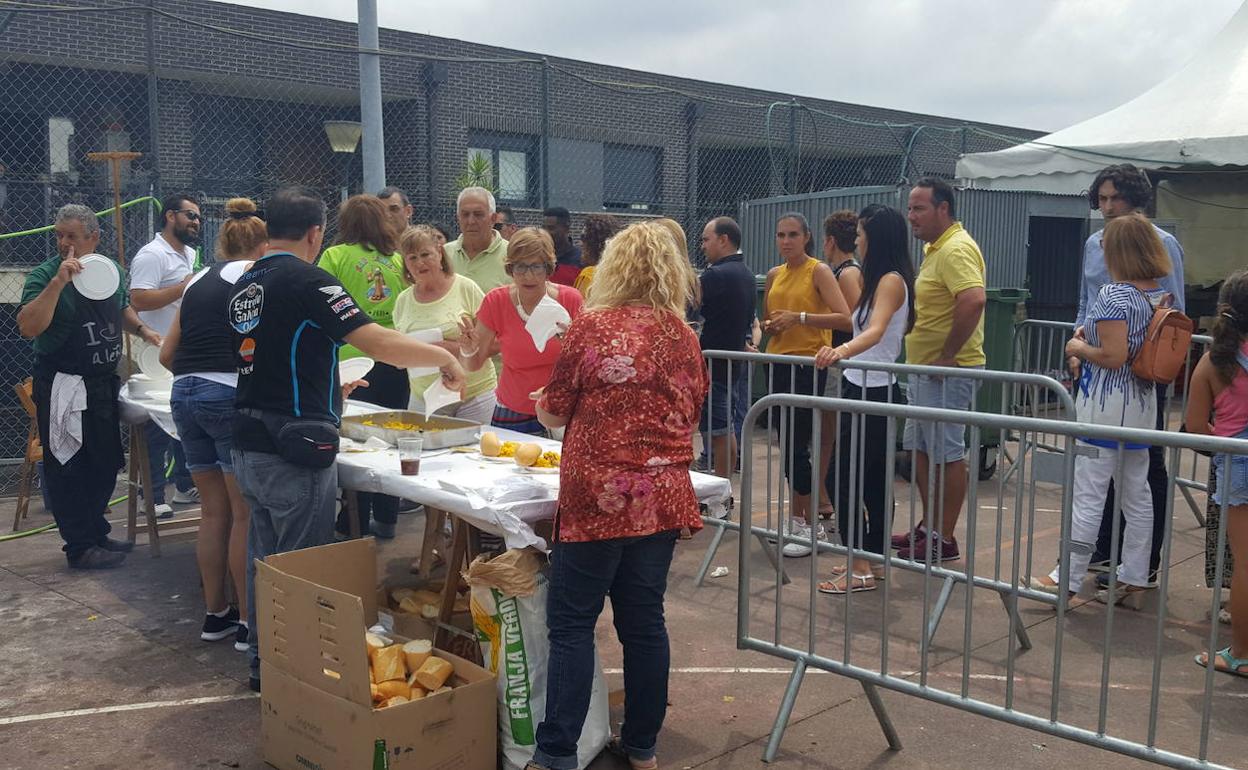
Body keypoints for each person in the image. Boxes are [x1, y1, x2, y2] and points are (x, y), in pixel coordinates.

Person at [230, 185, 466, 692]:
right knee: (304, 567)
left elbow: (274, 356)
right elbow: (378, 342)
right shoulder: (308, 280)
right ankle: (298, 679)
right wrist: (445, 357)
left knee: (266, 563)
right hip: (292, 443)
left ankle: (263, 665)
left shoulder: (247, 281)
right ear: (315, 234)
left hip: (249, 438)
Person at [526, 221, 706, 770]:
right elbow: (689, 411)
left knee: (574, 623)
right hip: (662, 494)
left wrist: (543, 402)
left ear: (613, 268)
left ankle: (556, 753)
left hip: (597, 497)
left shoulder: (592, 326)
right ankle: (643, 746)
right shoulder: (683, 334)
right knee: (644, 621)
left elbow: (555, 411)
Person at [1030, 213, 1170, 600]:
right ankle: (1136, 576)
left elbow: (1112, 355)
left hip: (1105, 403)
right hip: (1141, 406)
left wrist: (1077, 346)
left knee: (1090, 493)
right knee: (1136, 494)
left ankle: (1068, 578)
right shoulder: (1157, 295)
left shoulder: (1114, 294)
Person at [17, 203, 162, 569]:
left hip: (101, 383)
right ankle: (79, 546)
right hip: (64, 384)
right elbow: (28, 326)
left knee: (103, 461)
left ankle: (97, 533)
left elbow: (120, 307)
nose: (65, 245)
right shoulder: (44, 275)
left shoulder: (108, 270)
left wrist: (143, 330)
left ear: (93, 238)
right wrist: (58, 282)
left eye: (72, 237)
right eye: (59, 236)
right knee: (69, 464)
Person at [159, 197, 265, 650]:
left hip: (183, 393)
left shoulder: (198, 278)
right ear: (263, 246)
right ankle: (247, 624)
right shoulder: (256, 278)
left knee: (212, 512)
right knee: (243, 513)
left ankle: (215, 614)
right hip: (226, 394)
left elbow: (167, 354)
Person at [1073, 164, 1186, 583]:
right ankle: (1105, 552)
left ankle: (1142, 564)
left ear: (1133, 199)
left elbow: (1173, 313)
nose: (1106, 207)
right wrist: (1078, 348)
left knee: (1139, 470)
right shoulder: (1092, 244)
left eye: (1114, 198)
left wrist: (1148, 362)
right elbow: (1085, 304)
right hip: (1097, 374)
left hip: (1137, 378)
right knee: (1105, 475)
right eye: (1101, 199)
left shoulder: (1162, 243)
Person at [813, 206, 914, 593]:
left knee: (846, 477)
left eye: (860, 234)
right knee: (869, 479)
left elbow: (876, 331)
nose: (856, 241)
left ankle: (861, 566)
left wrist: (841, 351)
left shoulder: (890, 280)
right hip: (863, 385)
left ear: (876, 236)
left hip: (874, 390)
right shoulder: (879, 279)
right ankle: (870, 561)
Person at [893, 178, 986, 563]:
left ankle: (943, 537)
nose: (911, 216)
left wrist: (949, 355)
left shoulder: (955, 249)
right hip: (924, 372)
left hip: (946, 373)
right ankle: (930, 527)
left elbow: (974, 298)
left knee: (947, 453)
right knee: (920, 449)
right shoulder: (938, 249)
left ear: (943, 209)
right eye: (911, 208)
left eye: (919, 208)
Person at [318, 195, 409, 539]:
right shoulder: (398, 260)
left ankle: (352, 521)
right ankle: (388, 518)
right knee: (392, 436)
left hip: (350, 362)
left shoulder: (335, 256)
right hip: (393, 358)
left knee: (357, 442)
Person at [761, 211, 850, 557]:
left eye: (793, 235)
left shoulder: (819, 270)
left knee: (799, 445)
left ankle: (812, 526)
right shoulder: (774, 275)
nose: (786, 241)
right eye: (781, 235)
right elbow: (770, 317)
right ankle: (796, 519)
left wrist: (799, 318)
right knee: (787, 445)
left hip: (806, 363)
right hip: (778, 362)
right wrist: (770, 326)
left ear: (807, 237)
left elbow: (844, 316)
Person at [458, 227, 583, 435]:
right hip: (512, 411)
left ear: (549, 268)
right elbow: (473, 364)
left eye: (537, 267)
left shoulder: (571, 300)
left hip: (561, 411)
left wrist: (572, 344)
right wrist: (468, 350)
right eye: (520, 267)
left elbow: (588, 364)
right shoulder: (496, 301)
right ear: (510, 268)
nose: (528, 276)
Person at [1187, 270, 1248, 676]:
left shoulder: (1213, 362)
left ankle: (1240, 653)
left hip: (1237, 463)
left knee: (1245, 564)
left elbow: (1194, 428)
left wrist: (1224, 433)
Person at [130, 193, 201, 514]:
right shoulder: (152, 254)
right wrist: (183, 287)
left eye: (198, 217)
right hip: (153, 353)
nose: (196, 222)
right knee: (155, 426)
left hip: (183, 351)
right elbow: (139, 300)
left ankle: (185, 487)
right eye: (190, 215)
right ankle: (154, 497)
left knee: (184, 419)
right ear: (171, 216)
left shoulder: (190, 253)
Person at [393, 225, 498, 423]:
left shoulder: (466, 287)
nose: (420, 263)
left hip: (474, 395)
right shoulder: (403, 300)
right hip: (424, 397)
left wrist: (449, 349)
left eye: (425, 254)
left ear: (440, 253)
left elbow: (495, 342)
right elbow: (400, 349)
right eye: (412, 257)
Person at [698, 216, 754, 479]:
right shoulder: (746, 274)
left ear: (724, 240)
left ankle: (720, 491)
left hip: (713, 367)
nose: (703, 246)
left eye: (706, 240)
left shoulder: (715, 275)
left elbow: (693, 311)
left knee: (719, 431)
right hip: (732, 366)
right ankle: (724, 486)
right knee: (726, 429)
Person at [816, 209, 864, 519]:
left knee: (829, 433)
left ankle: (826, 498)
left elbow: (854, 321)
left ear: (830, 240)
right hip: (838, 361)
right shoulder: (847, 270)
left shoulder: (847, 273)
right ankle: (825, 496)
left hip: (842, 361)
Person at [446, 187, 509, 293]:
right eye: (465, 215)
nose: (471, 221)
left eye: (478, 215)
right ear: (458, 218)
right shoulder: (443, 255)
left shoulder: (512, 255)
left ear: (493, 219)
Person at [573, 213, 621, 297]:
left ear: (594, 244)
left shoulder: (589, 274)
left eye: (583, 238)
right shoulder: (623, 275)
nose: (580, 243)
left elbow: (579, 308)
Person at [542, 206, 582, 287]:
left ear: (566, 228)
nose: (545, 232)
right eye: (544, 228)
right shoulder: (538, 256)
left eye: (551, 228)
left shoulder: (581, 259)